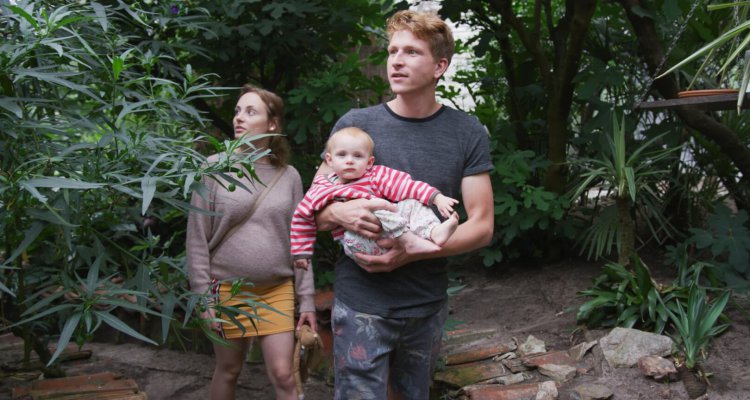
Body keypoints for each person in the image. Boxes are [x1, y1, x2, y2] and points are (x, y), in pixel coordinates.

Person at [314, 10, 494, 399]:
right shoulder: (356, 124)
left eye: (411, 52)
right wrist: (338, 212)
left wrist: (416, 251)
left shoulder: (466, 132)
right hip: (360, 300)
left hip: (424, 303)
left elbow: (482, 223)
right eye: (393, 50)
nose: (395, 59)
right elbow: (313, 207)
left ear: (440, 66)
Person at [186, 85, 316, 400]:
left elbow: (301, 240)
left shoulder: (289, 176)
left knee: (284, 375)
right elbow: (196, 239)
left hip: (276, 289)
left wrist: (307, 299)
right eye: (237, 111)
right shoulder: (213, 168)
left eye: (250, 111)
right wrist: (203, 299)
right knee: (229, 370)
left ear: (272, 124)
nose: (238, 118)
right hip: (227, 288)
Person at [290, 126, 460, 270]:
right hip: (356, 241)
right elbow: (303, 217)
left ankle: (433, 232)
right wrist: (301, 252)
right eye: (342, 155)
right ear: (330, 160)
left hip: (388, 234)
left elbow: (407, 186)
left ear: (369, 162)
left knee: (410, 203)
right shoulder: (322, 187)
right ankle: (410, 241)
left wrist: (436, 197)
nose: (349, 161)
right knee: (376, 206)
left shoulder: (375, 176)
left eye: (357, 156)